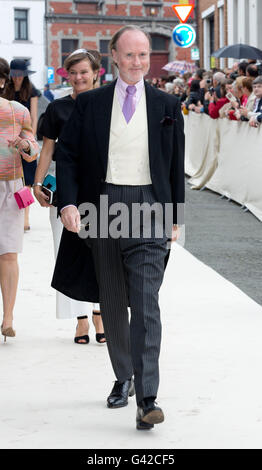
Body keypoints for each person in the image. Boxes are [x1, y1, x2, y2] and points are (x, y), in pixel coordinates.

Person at [52, 25, 185, 430]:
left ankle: (147, 397)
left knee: (146, 303)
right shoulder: (90, 103)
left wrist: (175, 216)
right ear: (113, 56)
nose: (138, 63)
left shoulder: (166, 104)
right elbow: (69, 156)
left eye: (143, 55)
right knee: (112, 301)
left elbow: (175, 162)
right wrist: (68, 202)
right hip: (102, 207)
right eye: (129, 55)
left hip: (148, 207)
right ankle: (123, 375)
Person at [33, 49, 106, 345]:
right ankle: (80, 319)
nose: (78, 78)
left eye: (83, 72)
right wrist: (37, 183)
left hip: (102, 190)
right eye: (73, 73)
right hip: (65, 190)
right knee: (66, 253)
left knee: (102, 253)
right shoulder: (57, 109)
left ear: (95, 73)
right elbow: (48, 149)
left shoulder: (109, 105)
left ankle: (101, 312)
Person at [0, 58, 39, 342]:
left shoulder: (18, 111)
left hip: (9, 187)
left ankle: (8, 316)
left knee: (9, 253)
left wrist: (25, 145)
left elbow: (33, 147)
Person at [3, 59, 39, 231]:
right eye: (14, 75)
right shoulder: (6, 90)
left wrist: (30, 140)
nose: (17, 78)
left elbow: (33, 117)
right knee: (12, 179)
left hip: (25, 137)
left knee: (28, 180)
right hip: (8, 141)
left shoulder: (31, 91)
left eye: (20, 75)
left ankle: (25, 216)